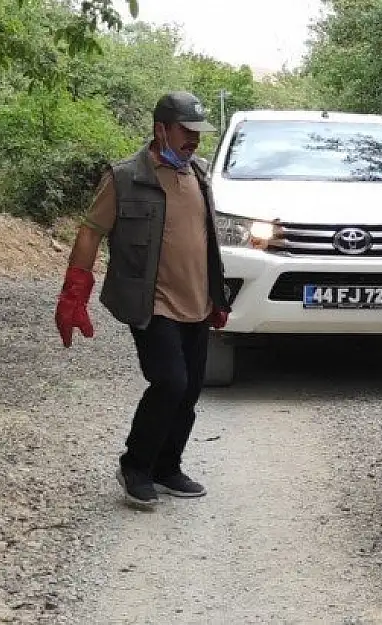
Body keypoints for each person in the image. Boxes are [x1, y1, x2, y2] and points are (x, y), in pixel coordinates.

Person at [54, 91, 230, 509]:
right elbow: (90, 232)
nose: (194, 141)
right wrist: (74, 293)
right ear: (160, 129)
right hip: (152, 302)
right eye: (186, 132)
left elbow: (206, 243)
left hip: (197, 301)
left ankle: (168, 468)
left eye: (198, 134)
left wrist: (218, 296)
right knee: (169, 382)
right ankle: (135, 466)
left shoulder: (199, 175)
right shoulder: (125, 177)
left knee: (188, 392)